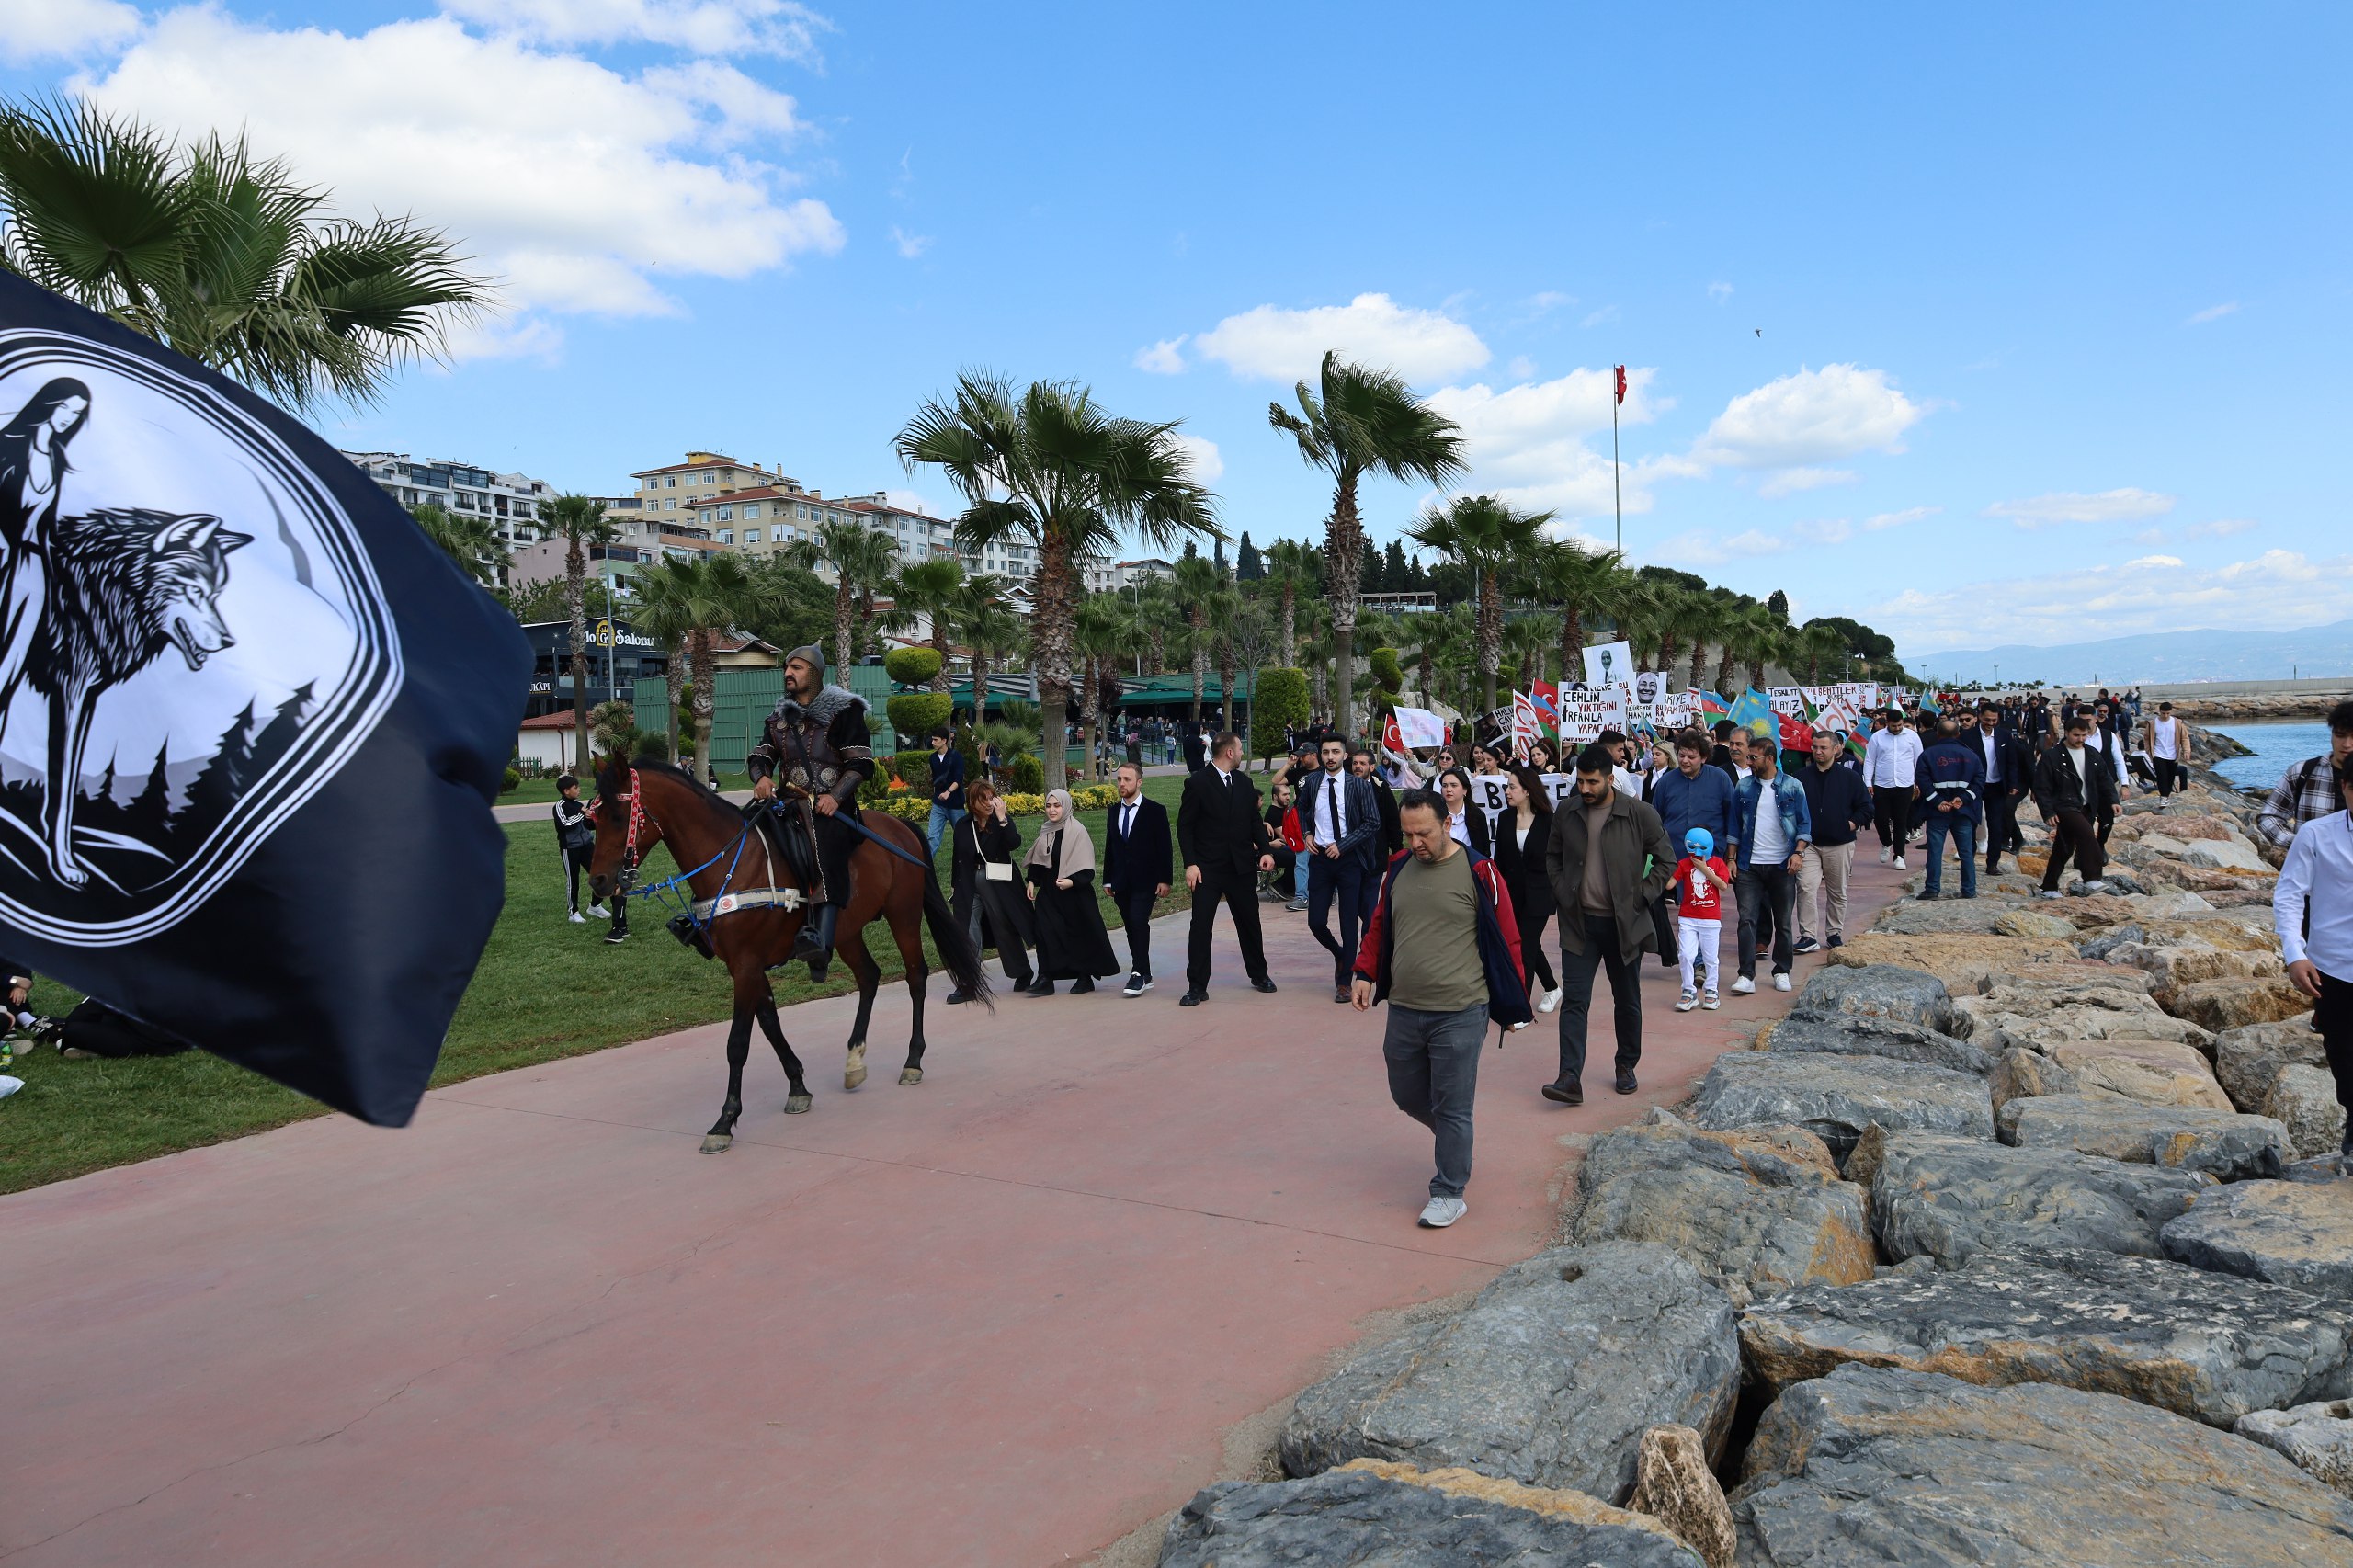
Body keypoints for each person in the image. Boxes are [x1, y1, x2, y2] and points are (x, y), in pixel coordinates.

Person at [1350, 787, 1530, 1228]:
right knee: (1406, 1095)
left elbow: (1508, 938)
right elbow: (1379, 926)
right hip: (1405, 1008)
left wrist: (1514, 1004)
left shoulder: (1479, 871)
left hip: (1462, 1010)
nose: (1415, 843)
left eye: (1424, 834)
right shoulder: (1397, 868)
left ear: (1447, 824)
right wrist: (1364, 971)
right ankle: (1455, 1138)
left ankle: (1449, 1190)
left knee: (1452, 1106)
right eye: (1408, 834)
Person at [1543, 744, 1672, 1103]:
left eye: (1592, 782)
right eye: (1581, 782)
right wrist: (1562, 891)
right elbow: (1552, 857)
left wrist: (1639, 897)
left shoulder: (1639, 813)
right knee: (1574, 1001)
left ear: (1610, 779)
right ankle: (1569, 1077)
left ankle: (1626, 1065)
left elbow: (1666, 861)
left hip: (1624, 925)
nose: (1585, 789)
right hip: (1579, 925)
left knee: (1627, 999)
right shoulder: (1567, 811)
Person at [746, 643, 874, 975]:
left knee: (825, 845)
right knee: (744, 829)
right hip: (788, 804)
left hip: (830, 810)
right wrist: (761, 777)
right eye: (787, 668)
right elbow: (761, 755)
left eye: (797, 668)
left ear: (815, 674)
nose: (788, 673)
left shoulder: (844, 712)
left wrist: (835, 797)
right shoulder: (779, 719)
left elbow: (861, 763)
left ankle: (822, 947)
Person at [2276, 763, 2353, 1165]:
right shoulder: (2316, 834)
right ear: (2345, 788)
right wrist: (2295, 953)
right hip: (2334, 966)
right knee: (2342, 1052)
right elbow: (2289, 894)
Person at [1176, 731, 1279, 1006]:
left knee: (1250, 923)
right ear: (1230, 752)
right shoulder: (1197, 783)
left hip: (1241, 868)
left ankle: (1259, 974)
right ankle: (1197, 986)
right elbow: (1185, 828)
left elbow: (1254, 821)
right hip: (1207, 870)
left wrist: (1266, 851)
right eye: (1240, 749)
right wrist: (1190, 864)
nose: (1243, 753)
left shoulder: (1244, 783)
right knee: (1201, 927)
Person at [1299, 734, 1382, 1004]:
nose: (1330, 757)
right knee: (1315, 921)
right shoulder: (1313, 782)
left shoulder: (1359, 786)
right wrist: (1307, 833)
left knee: (1348, 922)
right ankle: (1340, 954)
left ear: (1345, 756)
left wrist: (1344, 845)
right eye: (1326, 752)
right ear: (1320, 756)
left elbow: (1372, 822)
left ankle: (1344, 982)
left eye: (1335, 752)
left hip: (1349, 860)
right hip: (1320, 858)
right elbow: (1301, 809)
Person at [1727, 737, 1811, 994]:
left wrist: (1798, 853)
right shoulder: (1743, 786)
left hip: (1782, 865)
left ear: (1770, 759)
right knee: (1746, 920)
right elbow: (1734, 826)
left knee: (1783, 921)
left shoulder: (1793, 786)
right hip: (1748, 865)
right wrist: (1731, 859)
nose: (1749, 762)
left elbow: (1804, 824)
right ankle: (1746, 975)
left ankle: (1782, 970)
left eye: (1753, 757)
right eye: (1748, 757)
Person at [1649, 732, 1736, 970]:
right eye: (1681, 755)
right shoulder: (1666, 782)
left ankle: (1699, 963)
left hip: (1708, 858)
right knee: (1684, 906)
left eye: (1691, 756)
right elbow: (1655, 819)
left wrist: (1729, 856)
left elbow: (1732, 818)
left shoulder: (1720, 779)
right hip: (1675, 856)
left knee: (1702, 908)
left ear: (1704, 758)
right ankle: (1685, 956)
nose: (1685, 760)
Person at [1023, 790, 1121, 994]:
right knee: (1043, 932)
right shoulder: (1047, 830)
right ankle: (1045, 977)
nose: (1052, 810)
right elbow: (1040, 859)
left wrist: (1072, 881)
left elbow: (1087, 867)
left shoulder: (1077, 831)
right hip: (1049, 892)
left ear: (1066, 806)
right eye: (1049, 806)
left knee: (1076, 934)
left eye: (1057, 806)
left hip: (1074, 894)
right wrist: (1032, 880)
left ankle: (1084, 977)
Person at [949, 780, 1035, 998]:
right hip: (969, 883)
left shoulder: (1000, 821)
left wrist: (1003, 819)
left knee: (1003, 926)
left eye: (991, 798)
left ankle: (1022, 972)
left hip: (998, 882)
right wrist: (954, 884)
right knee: (967, 930)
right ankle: (968, 983)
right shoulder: (963, 825)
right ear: (972, 802)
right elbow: (958, 856)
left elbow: (1014, 843)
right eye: (983, 799)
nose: (989, 803)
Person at [1490, 765, 1561, 1020]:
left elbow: (1557, 858)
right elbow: (1500, 859)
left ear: (1528, 790)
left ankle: (1522, 1010)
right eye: (1507, 787)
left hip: (1540, 895)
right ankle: (1552, 988)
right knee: (1526, 944)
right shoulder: (1505, 818)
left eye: (1512, 787)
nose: (1507, 792)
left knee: (1525, 949)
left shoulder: (1548, 820)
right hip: (1512, 894)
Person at [1794, 727, 1872, 951]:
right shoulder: (1800, 777)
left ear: (1836, 749)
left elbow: (1866, 807)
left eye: (1823, 747)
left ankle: (1834, 932)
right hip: (1809, 844)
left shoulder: (1850, 778)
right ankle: (1808, 936)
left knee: (1837, 891)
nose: (1818, 751)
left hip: (1840, 843)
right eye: (1815, 747)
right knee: (1806, 887)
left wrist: (1850, 824)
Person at [1103, 761, 1173, 997]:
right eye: (1119, 779)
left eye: (1127, 779)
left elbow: (1165, 848)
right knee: (1131, 926)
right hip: (1121, 880)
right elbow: (1111, 847)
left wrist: (1165, 879)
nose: (1122, 784)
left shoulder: (1155, 811)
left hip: (1147, 880)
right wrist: (1108, 879)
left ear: (1139, 782)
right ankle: (1146, 973)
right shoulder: (1113, 811)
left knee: (1138, 921)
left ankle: (1137, 973)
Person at [2031, 712, 2118, 898]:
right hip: (2064, 805)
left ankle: (2048, 887)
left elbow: (2105, 779)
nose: (2080, 739)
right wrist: (2047, 812)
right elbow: (2041, 786)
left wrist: (2113, 801)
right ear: (2067, 733)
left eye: (2084, 735)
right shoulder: (2052, 756)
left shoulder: (2092, 753)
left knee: (2064, 847)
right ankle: (2092, 878)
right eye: (2076, 735)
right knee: (2087, 836)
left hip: (2087, 806)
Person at [2259, 701, 2353, 847]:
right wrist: (2299, 843)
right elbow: (2269, 817)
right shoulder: (2302, 772)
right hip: (2311, 861)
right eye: (2340, 735)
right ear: (2332, 734)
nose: (2347, 744)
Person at [1915, 715, 1985, 901]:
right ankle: (1969, 890)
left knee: (1935, 851)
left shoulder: (1927, 755)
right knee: (1966, 852)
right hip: (1963, 811)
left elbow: (1922, 780)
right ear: (1958, 734)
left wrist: (1937, 801)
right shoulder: (1971, 755)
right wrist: (1963, 799)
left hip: (1937, 812)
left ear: (1938, 734)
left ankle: (1932, 890)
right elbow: (1979, 781)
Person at [1671, 827, 1731, 1011]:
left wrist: (1704, 869)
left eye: (1702, 848)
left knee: (1710, 958)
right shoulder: (1683, 864)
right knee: (1685, 955)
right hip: (1688, 918)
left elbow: (1723, 885)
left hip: (1710, 919)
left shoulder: (1718, 863)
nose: (1697, 852)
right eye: (1692, 847)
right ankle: (1688, 991)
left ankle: (1711, 991)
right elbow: (1669, 884)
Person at [1973, 701, 2030, 877]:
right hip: (1975, 786)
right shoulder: (1968, 737)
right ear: (1980, 717)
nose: (1990, 723)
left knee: (1996, 826)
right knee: (1971, 823)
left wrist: (2013, 784)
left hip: (1997, 787)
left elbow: (2012, 762)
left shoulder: (2004, 736)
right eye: (1987, 720)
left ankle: (1993, 863)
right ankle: (1969, 859)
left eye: (1994, 720)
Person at [1864, 707, 1923, 869]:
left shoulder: (1912, 736)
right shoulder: (1877, 737)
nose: (1897, 728)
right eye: (1893, 726)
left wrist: (1919, 782)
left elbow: (1919, 760)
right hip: (1882, 784)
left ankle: (1899, 856)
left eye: (1899, 725)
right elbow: (1870, 760)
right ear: (1887, 724)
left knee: (1900, 820)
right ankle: (1886, 842)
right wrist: (1868, 782)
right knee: (1880, 819)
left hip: (1905, 784)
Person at [551, 773, 605, 924]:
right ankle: (573, 912)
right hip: (570, 849)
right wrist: (582, 813)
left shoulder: (578, 805)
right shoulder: (559, 806)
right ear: (566, 791)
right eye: (576, 787)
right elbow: (565, 824)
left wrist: (591, 816)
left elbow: (588, 825)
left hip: (587, 846)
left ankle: (595, 906)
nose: (579, 790)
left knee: (600, 875)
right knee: (573, 880)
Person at [1353, 745, 1404, 863]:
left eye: (1362, 763)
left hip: (1377, 852)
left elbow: (1393, 821)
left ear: (1372, 767)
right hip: (1352, 853)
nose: (1357, 766)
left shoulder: (1382, 790)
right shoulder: (1344, 789)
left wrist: (1397, 851)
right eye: (1355, 763)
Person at [924, 726, 967, 857]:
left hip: (955, 804)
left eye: (935, 740)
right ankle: (925, 864)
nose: (932, 742)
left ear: (944, 741)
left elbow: (958, 779)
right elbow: (935, 779)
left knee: (963, 837)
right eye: (932, 739)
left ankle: (969, 862)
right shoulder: (932, 758)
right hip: (938, 804)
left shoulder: (956, 756)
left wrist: (948, 792)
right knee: (932, 837)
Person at [2142, 702, 2190, 805]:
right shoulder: (2152, 724)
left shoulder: (2177, 723)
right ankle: (2163, 797)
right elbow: (2146, 738)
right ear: (2159, 712)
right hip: (2158, 754)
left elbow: (2184, 738)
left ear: (2171, 712)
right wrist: (2149, 751)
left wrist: (2186, 751)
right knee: (2162, 776)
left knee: (2170, 777)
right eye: (2163, 713)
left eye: (2168, 713)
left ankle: (2166, 796)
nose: (2166, 715)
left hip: (2173, 755)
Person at [1263, 778, 1302, 903]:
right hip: (1273, 850)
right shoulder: (1273, 813)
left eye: (1289, 794)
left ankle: (1290, 887)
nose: (1287, 797)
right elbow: (1286, 837)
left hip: (1284, 848)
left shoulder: (1286, 810)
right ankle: (1280, 885)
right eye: (1284, 795)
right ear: (1275, 796)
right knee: (1299, 856)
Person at [1437, 766, 1476, 849]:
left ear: (1465, 790)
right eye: (1444, 786)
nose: (1448, 789)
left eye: (1453, 785)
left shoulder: (1477, 816)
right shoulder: (1435, 815)